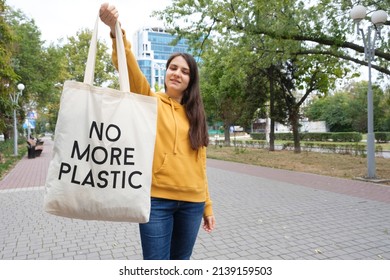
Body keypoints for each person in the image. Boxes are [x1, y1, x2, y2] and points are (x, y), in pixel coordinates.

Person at [99, 3, 216, 260]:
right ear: (165, 73)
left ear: (190, 80)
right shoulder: (149, 101)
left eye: (185, 71)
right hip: (157, 201)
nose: (177, 74)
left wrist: (207, 206)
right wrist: (116, 30)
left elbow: (201, 164)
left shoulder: (196, 116)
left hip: (192, 204)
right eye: (173, 68)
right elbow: (129, 69)